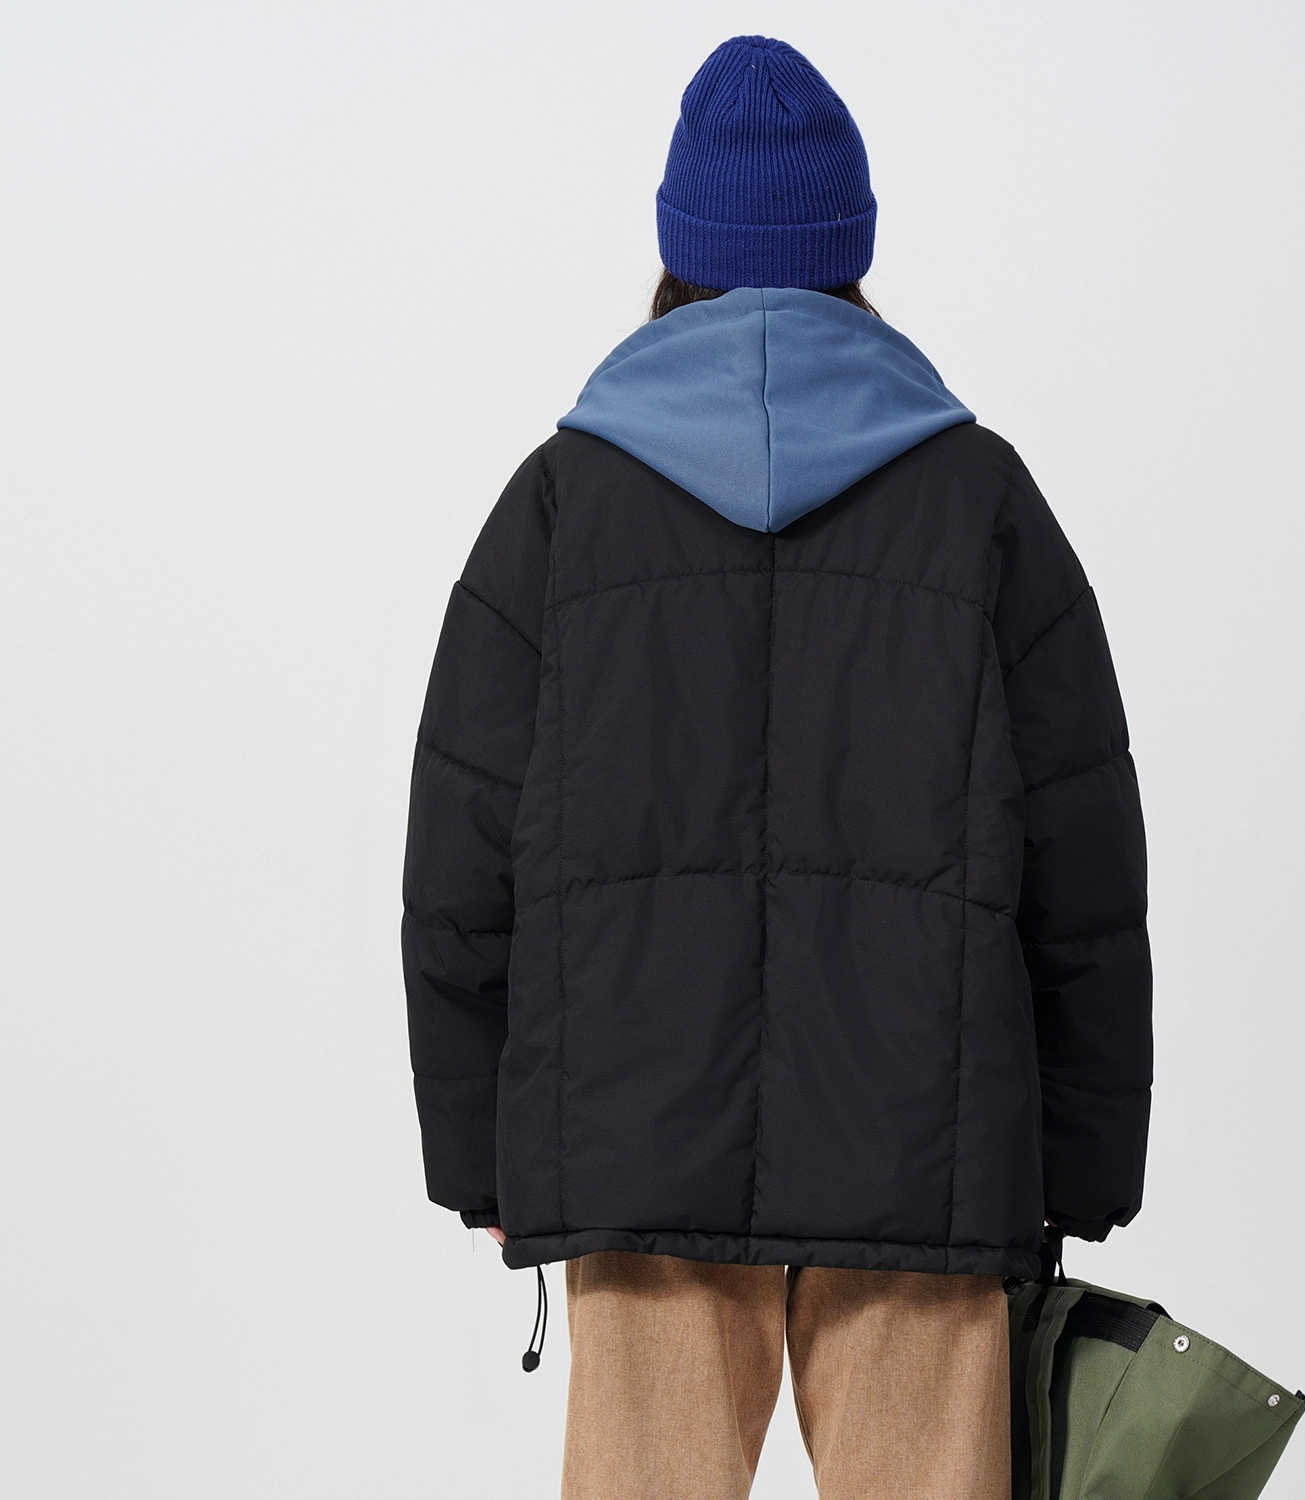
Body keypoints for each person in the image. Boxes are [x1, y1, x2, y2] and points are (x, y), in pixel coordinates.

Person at [402, 34, 1151, 1500]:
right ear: (851, 249)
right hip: (930, 1161)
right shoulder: (981, 501)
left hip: (632, 1158)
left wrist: (485, 1156)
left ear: (677, 250)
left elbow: (458, 863)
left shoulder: (560, 507)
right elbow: (1086, 871)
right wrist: (1078, 1168)